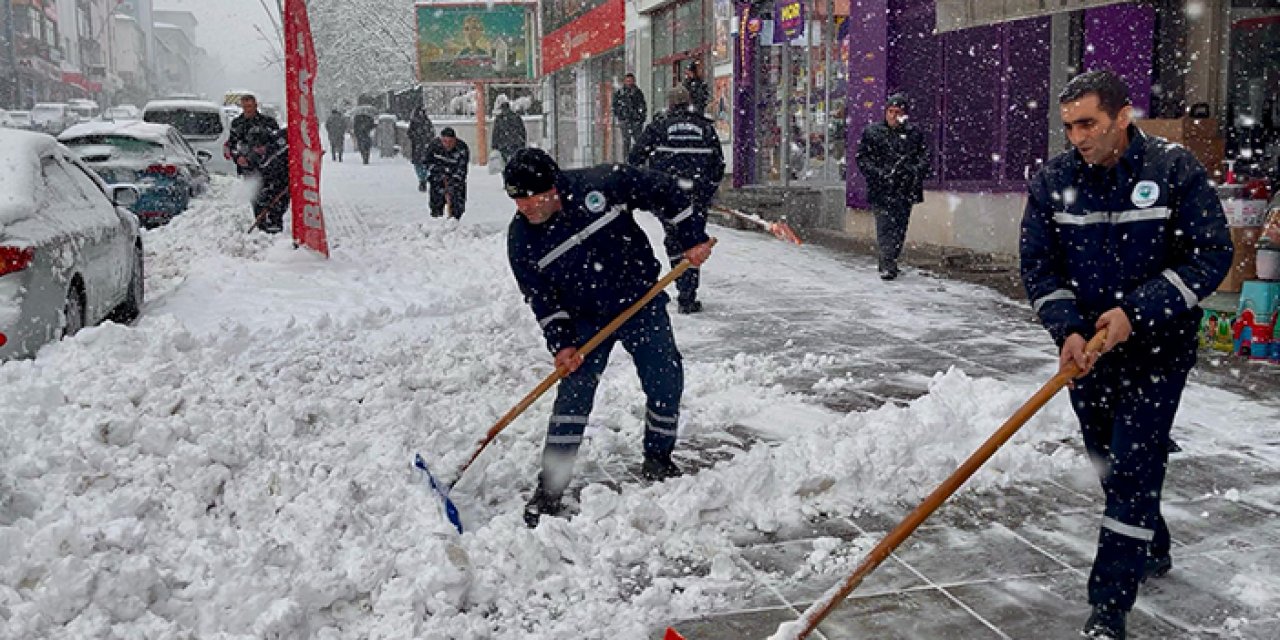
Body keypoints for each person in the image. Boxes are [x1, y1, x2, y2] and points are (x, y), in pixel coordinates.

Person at [1020, 69, 1232, 640]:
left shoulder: (1173, 171)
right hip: (1089, 355)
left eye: (1088, 123)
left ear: (1121, 116)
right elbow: (1039, 265)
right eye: (1069, 126)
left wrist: (1137, 313)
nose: (1078, 137)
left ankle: (1108, 606)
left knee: (1133, 465)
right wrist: (1066, 329)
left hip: (1158, 350)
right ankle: (1150, 545)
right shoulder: (1054, 181)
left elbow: (1210, 255)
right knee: (1107, 459)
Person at [501, 148, 715, 528]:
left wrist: (690, 238)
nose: (524, 207)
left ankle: (658, 458)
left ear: (552, 187)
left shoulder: (599, 185)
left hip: (640, 301)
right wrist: (562, 343)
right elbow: (541, 299)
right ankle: (550, 489)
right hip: (585, 321)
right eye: (516, 199)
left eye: (530, 197)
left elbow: (665, 191)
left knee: (665, 377)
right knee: (574, 396)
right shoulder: (522, 240)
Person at [628, 85, 724, 314]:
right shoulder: (705, 127)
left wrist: (648, 184)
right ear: (689, 102)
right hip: (697, 196)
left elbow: (635, 158)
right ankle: (688, 293)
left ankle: (684, 288)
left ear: (670, 104)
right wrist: (707, 190)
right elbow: (718, 164)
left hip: (667, 196)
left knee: (674, 239)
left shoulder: (659, 126)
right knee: (694, 240)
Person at [854, 92, 930, 280]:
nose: (894, 116)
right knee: (885, 226)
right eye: (890, 111)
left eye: (898, 112)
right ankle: (888, 263)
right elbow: (863, 159)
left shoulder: (914, 134)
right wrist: (879, 174)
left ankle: (890, 260)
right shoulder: (873, 132)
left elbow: (924, 158)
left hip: (905, 189)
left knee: (900, 228)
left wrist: (912, 171)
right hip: (882, 188)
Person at [225, 94, 288, 233]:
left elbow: (277, 143)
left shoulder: (268, 122)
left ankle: (275, 222)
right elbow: (232, 145)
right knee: (256, 196)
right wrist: (238, 157)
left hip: (271, 167)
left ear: (255, 105)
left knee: (275, 195)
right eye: (244, 106)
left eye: (250, 106)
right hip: (250, 168)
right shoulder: (237, 124)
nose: (247, 109)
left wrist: (267, 152)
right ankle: (261, 224)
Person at [425, 127, 469, 219]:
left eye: (450, 142)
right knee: (436, 202)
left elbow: (462, 168)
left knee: (457, 203)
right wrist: (439, 173)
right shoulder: (434, 146)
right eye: (445, 141)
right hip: (437, 178)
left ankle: (454, 220)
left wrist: (454, 179)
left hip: (455, 179)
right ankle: (436, 218)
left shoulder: (462, 148)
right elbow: (427, 162)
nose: (447, 144)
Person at [612, 73, 647, 156]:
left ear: (634, 81)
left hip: (636, 121)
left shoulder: (638, 92)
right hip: (625, 121)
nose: (629, 83)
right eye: (627, 81)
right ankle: (626, 159)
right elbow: (615, 106)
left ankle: (638, 158)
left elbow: (642, 105)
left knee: (638, 141)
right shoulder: (620, 93)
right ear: (624, 81)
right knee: (626, 141)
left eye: (631, 81)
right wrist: (621, 116)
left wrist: (640, 117)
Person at [490, 96, 527, 165]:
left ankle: (507, 173)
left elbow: (495, 133)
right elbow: (522, 131)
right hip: (516, 144)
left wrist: (494, 146)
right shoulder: (516, 117)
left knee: (505, 164)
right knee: (515, 163)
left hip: (503, 146)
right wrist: (522, 143)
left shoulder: (499, 119)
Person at [407, 105, 436, 192]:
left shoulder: (415, 122)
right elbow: (432, 133)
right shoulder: (426, 122)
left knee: (419, 164)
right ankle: (424, 178)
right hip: (423, 146)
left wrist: (416, 138)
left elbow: (409, 133)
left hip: (418, 146)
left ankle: (422, 179)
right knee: (423, 163)